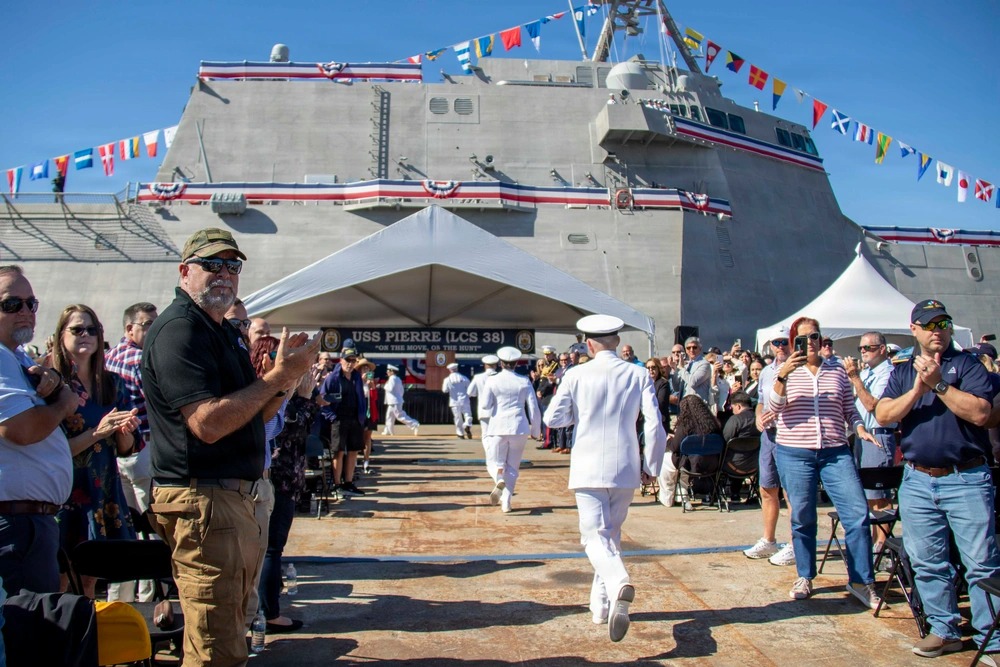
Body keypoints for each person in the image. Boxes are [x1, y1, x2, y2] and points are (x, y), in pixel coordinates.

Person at [143, 228, 317, 665]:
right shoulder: (180, 330)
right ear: (185, 272)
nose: (224, 274)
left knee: (228, 632)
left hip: (228, 500)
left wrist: (285, 379)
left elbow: (248, 414)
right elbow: (208, 423)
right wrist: (277, 379)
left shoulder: (219, 330)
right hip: (203, 500)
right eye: (212, 265)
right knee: (216, 645)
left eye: (233, 266)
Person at [875, 299, 1000, 662]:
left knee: (981, 563)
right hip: (918, 480)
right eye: (929, 325)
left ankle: (990, 638)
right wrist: (917, 389)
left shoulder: (968, 365)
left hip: (966, 478)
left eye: (943, 323)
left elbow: (981, 413)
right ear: (914, 329)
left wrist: (940, 387)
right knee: (927, 560)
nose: (937, 331)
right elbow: (883, 414)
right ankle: (943, 630)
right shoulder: (901, 371)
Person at [543, 314, 666, 642]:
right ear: (616, 341)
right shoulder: (639, 373)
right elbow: (654, 424)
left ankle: (617, 583)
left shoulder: (576, 374)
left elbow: (552, 418)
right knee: (610, 535)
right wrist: (652, 466)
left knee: (593, 537)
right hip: (625, 463)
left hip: (587, 463)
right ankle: (600, 607)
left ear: (589, 343)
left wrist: (576, 415)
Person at [768, 316, 879, 608]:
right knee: (803, 516)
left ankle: (860, 580)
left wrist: (859, 427)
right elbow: (773, 408)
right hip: (795, 452)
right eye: (804, 338)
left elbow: (847, 408)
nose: (812, 343)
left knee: (856, 513)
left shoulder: (837, 370)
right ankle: (805, 574)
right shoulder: (783, 371)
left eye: (816, 336)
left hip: (835, 450)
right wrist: (783, 376)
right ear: (794, 342)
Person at [0, 265, 80, 596]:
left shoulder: (14, 358)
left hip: (29, 523)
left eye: (30, 304)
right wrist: (63, 403)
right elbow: (19, 429)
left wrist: (56, 385)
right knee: (24, 637)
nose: (25, 312)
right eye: (10, 304)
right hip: (17, 525)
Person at [50, 305, 141, 598]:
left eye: (92, 329)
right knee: (60, 580)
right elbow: (52, 450)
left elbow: (125, 450)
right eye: (77, 329)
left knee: (90, 582)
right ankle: (62, 642)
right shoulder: (52, 384)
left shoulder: (111, 382)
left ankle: (84, 641)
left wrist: (123, 432)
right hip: (64, 492)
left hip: (102, 488)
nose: (86, 335)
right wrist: (97, 433)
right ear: (61, 335)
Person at [104, 302, 158, 600]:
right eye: (148, 324)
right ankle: (148, 598)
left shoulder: (109, 357)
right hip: (141, 448)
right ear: (130, 328)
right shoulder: (142, 360)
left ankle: (120, 598)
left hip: (116, 452)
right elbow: (158, 404)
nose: (153, 330)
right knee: (148, 528)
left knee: (123, 528)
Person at [744, 329, 796, 566]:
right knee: (767, 488)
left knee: (791, 493)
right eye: (777, 343)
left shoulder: (798, 368)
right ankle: (769, 539)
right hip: (769, 434)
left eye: (785, 342)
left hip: (790, 434)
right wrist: (757, 417)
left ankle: (796, 544)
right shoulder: (766, 372)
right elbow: (762, 402)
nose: (781, 347)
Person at [842, 331, 897, 552]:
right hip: (862, 434)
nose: (863, 352)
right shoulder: (868, 373)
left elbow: (874, 405)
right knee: (866, 493)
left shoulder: (888, 373)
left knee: (879, 493)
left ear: (882, 349)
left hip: (878, 433)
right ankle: (875, 541)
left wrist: (855, 378)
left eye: (868, 348)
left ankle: (882, 545)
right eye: (861, 349)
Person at [479, 347, 541, 513]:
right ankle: (506, 502)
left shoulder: (493, 380)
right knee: (513, 467)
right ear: (516, 363)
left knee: (494, 462)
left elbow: (485, 405)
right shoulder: (524, 380)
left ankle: (499, 479)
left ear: (501, 363)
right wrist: (536, 430)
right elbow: (533, 407)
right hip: (519, 427)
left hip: (498, 426)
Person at [318, 345, 368, 496]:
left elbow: (361, 398)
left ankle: (348, 482)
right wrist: (332, 417)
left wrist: (362, 417)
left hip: (354, 419)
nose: (350, 363)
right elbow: (322, 398)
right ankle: (337, 484)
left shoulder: (356, 377)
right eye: (348, 360)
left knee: (353, 451)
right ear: (341, 360)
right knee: (338, 452)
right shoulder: (333, 378)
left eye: (353, 360)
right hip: (338, 419)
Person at [467, 353, 499, 461]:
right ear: (496, 365)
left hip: (484, 410)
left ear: (485, 365)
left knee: (485, 435)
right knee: (497, 435)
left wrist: (478, 393)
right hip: (498, 411)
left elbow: (470, 392)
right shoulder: (499, 377)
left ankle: (489, 454)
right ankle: (496, 455)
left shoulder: (478, 377)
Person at [381, 364, 419, 436]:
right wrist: (399, 397)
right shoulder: (397, 379)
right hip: (395, 401)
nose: (387, 371)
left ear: (392, 371)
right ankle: (388, 430)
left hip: (394, 401)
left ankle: (414, 424)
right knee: (389, 416)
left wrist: (385, 386)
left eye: (388, 370)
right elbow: (402, 391)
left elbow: (390, 388)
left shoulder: (392, 378)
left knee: (400, 416)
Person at [442, 362, 473, 439]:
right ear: (457, 369)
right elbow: (470, 388)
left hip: (454, 401)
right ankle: (467, 424)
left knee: (458, 418)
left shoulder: (447, 380)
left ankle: (460, 434)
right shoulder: (464, 378)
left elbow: (444, 390)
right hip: (464, 399)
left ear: (449, 370)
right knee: (467, 414)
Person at [678, 337, 711, 404]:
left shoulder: (704, 364)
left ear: (700, 349)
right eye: (688, 348)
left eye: (694, 347)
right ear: (686, 350)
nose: (691, 350)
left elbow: (693, 382)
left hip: (698, 405)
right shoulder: (686, 366)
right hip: (685, 404)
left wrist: (681, 368)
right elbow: (677, 386)